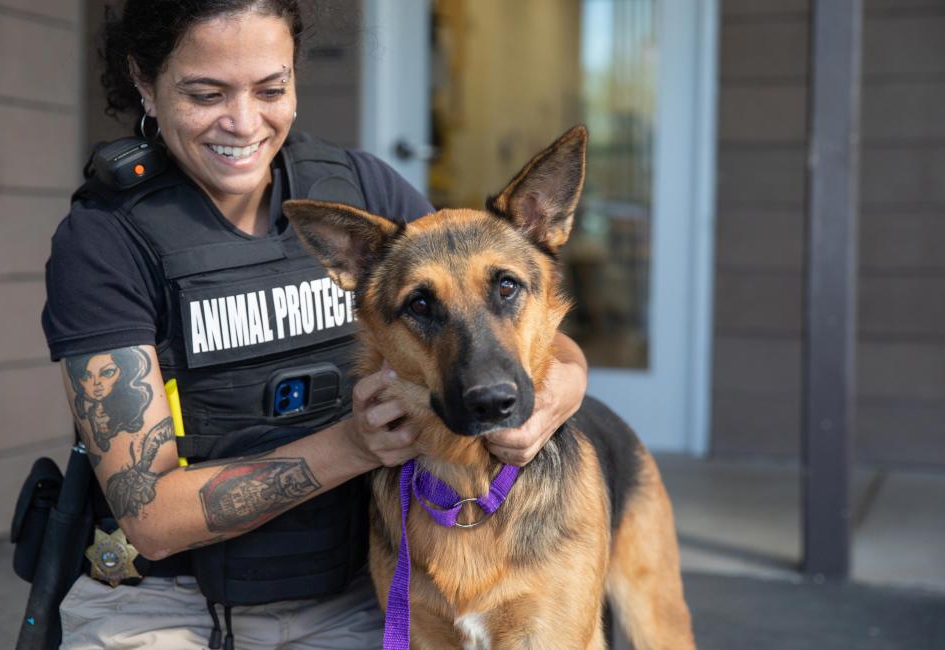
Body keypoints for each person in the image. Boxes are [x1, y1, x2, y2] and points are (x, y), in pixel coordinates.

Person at [41, 1, 589, 648]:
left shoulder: (359, 192)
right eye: (205, 92)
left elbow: (522, 332)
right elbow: (151, 517)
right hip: (160, 600)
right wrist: (355, 445)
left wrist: (552, 401)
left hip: (343, 594)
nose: (244, 122)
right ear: (144, 82)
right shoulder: (106, 242)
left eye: (271, 88)